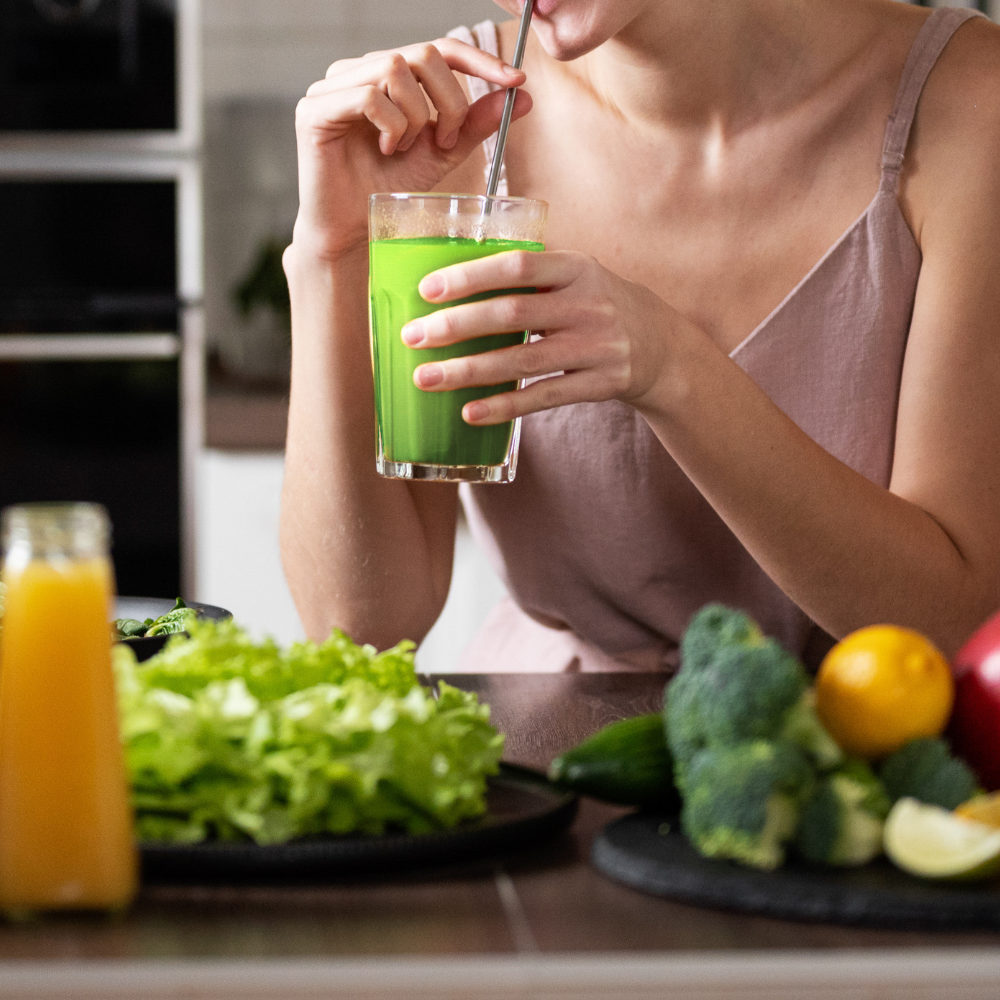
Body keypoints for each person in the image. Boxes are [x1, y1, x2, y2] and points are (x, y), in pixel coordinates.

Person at [280, 0, 1000, 673]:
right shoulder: (455, 119)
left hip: (876, 765)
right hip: (547, 759)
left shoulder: (970, 100)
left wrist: (672, 367)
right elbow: (362, 627)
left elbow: (955, 624)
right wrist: (328, 252)